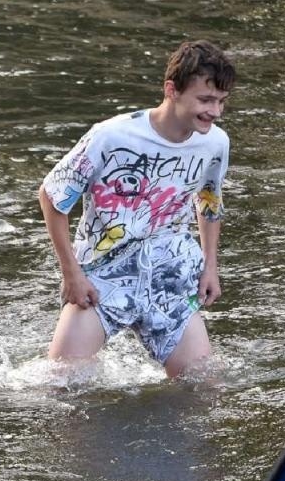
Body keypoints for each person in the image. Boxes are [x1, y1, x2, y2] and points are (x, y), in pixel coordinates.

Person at [39, 40, 233, 378]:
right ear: (171, 90)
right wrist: (72, 273)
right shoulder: (111, 136)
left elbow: (209, 202)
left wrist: (210, 267)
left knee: (204, 385)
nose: (214, 112)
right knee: (61, 384)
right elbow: (52, 197)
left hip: (169, 278)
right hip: (103, 276)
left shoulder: (215, 143)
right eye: (205, 100)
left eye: (221, 102)